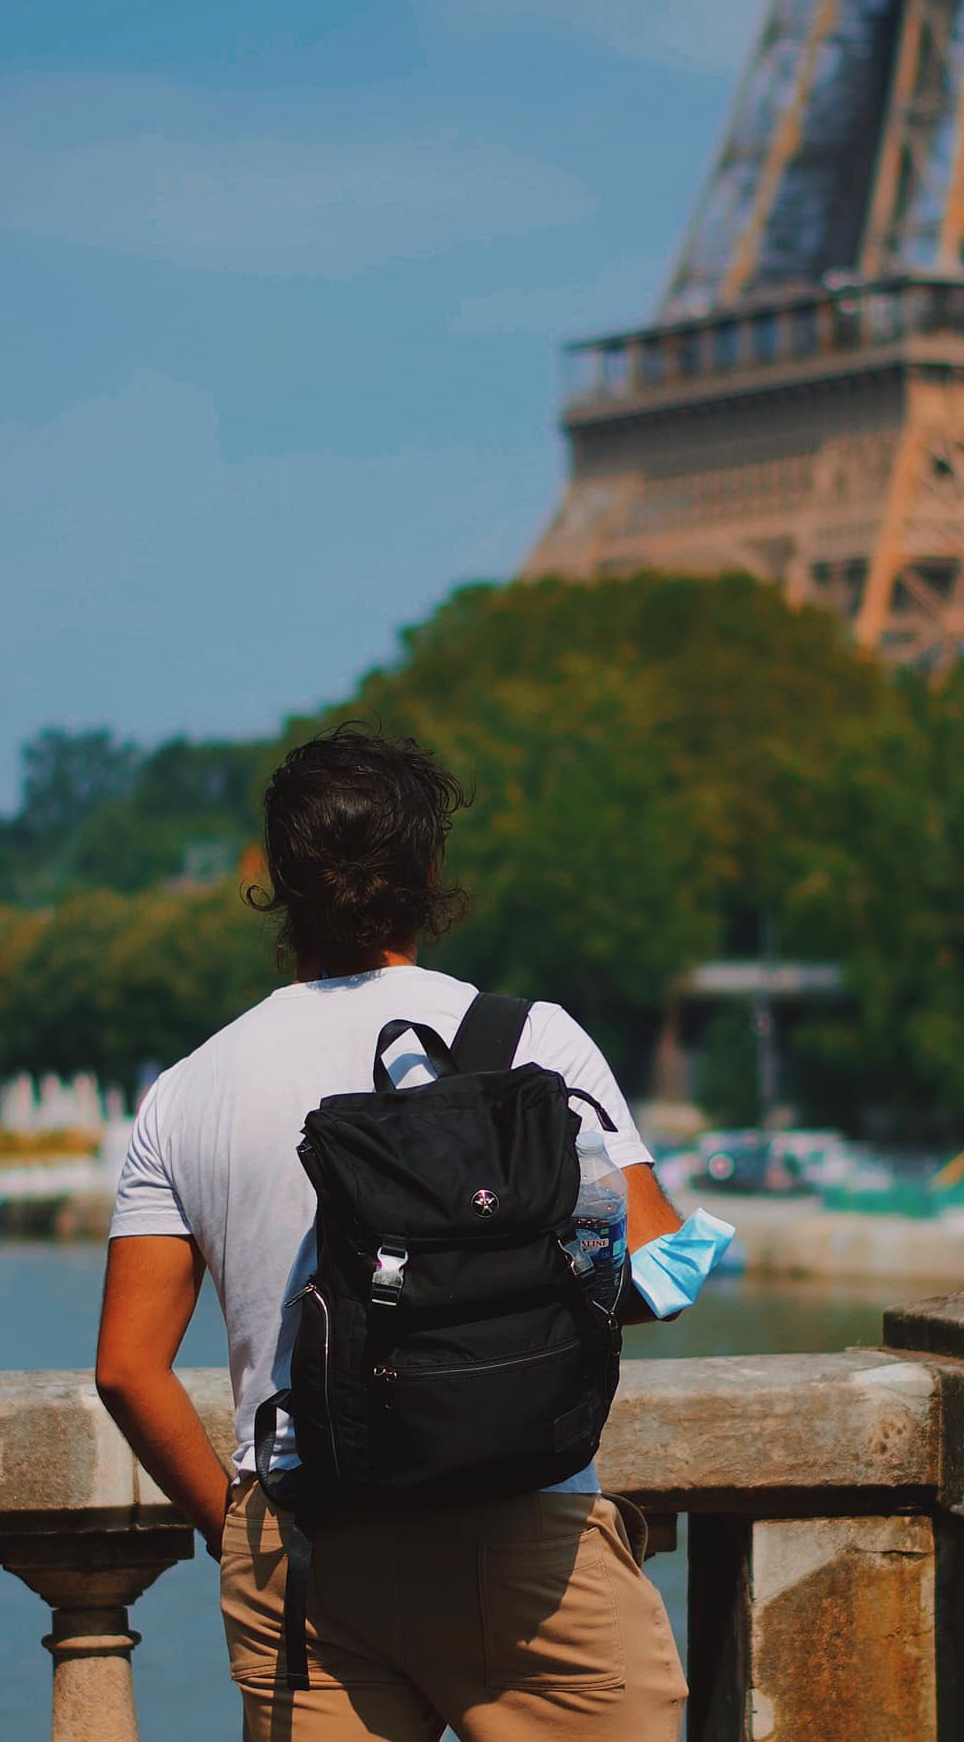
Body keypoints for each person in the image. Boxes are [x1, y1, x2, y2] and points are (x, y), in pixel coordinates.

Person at [95, 723, 690, 1740]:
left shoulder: (186, 1092)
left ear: (280, 880)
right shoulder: (528, 1044)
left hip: (307, 1553)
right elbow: (658, 1265)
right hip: (524, 1538)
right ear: (426, 869)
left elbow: (125, 1367)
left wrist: (238, 1528)